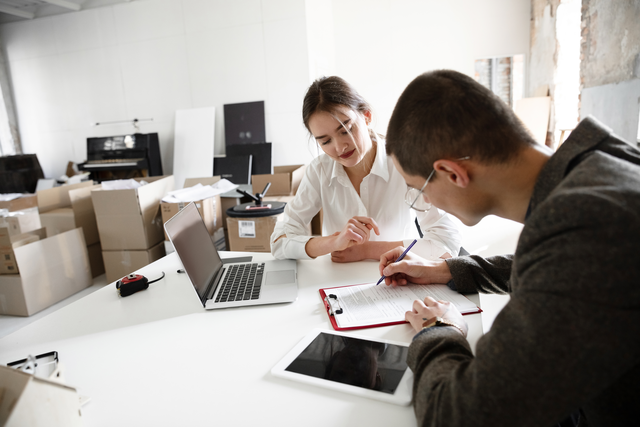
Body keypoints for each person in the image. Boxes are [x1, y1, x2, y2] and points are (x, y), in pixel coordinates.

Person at [379, 69, 640, 426]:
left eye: (419, 188)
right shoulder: (601, 167)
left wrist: (438, 329)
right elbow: (559, 267)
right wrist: (448, 270)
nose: (423, 199)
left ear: (453, 173)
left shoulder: (586, 223)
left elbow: (458, 416)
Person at [271, 76, 461, 262]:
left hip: (401, 281)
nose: (339, 147)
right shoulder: (319, 170)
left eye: (346, 130)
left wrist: (369, 250)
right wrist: (333, 242)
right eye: (325, 141)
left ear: (367, 117)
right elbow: (279, 242)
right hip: (337, 285)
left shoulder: (405, 161)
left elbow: (447, 241)